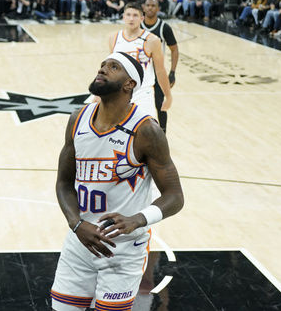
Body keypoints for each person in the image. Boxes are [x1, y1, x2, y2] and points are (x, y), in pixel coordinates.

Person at [51, 53, 184, 311]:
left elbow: (175, 196)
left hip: (123, 250)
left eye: (113, 67)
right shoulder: (77, 119)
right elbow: (63, 183)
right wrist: (76, 223)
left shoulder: (146, 130)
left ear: (129, 84)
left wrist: (138, 219)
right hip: (79, 242)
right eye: (102, 65)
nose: (102, 69)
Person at [107, 2, 172, 119]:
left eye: (135, 15)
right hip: (120, 93)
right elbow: (111, 69)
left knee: (147, 133)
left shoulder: (152, 40)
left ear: (142, 18)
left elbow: (160, 71)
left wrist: (168, 96)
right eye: (128, 15)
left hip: (143, 93)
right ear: (123, 17)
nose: (131, 18)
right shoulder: (114, 38)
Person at [141, 0, 178, 133]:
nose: (150, 8)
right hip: (141, 73)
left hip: (157, 72)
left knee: (160, 104)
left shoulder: (164, 28)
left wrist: (172, 72)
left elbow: (174, 49)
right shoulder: (138, 27)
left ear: (158, 9)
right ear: (143, 8)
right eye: (148, 5)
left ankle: (163, 134)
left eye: (153, 5)